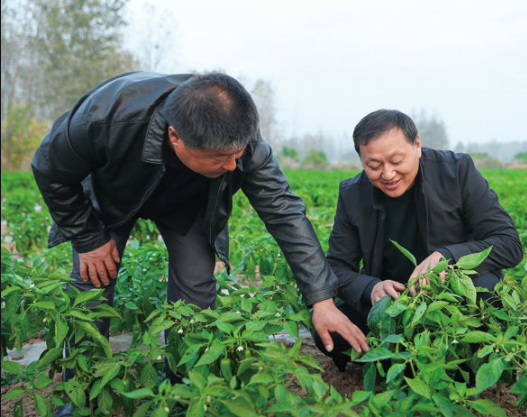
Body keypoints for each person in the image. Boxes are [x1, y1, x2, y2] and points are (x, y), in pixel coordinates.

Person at [32, 72, 368, 414]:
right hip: (113, 192)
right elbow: (49, 170)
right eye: (219, 158)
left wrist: (321, 298)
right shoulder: (106, 117)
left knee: (195, 291)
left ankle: (184, 395)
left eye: (237, 154)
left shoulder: (242, 141)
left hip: (189, 205)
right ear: (175, 136)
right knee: (92, 284)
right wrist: (89, 237)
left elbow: (284, 212)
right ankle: (80, 394)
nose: (232, 165)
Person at [314, 109, 522, 370]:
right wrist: (371, 288)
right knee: (329, 329)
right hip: (393, 304)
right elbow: (337, 267)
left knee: (488, 291)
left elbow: (508, 243)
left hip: (449, 297)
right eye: (374, 166)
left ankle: (451, 357)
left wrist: (447, 257)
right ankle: (407, 356)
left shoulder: (457, 171)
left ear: (417, 146)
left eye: (397, 160)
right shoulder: (352, 193)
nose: (388, 174)